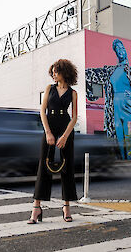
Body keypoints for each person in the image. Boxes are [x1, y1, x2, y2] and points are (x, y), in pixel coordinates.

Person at [28, 59, 78, 224]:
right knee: (44, 166)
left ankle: (66, 207)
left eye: (57, 71)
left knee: (67, 166)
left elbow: (75, 116)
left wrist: (64, 136)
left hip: (66, 127)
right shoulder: (49, 89)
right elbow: (43, 111)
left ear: (65, 72)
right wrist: (48, 132)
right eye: (53, 72)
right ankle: (36, 208)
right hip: (50, 125)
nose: (54, 74)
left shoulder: (73, 93)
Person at [85, 39, 131, 159]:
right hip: (115, 110)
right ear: (115, 52)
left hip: (130, 109)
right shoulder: (110, 71)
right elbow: (90, 74)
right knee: (119, 138)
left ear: (125, 51)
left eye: (122, 48)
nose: (121, 50)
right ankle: (123, 160)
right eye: (118, 49)